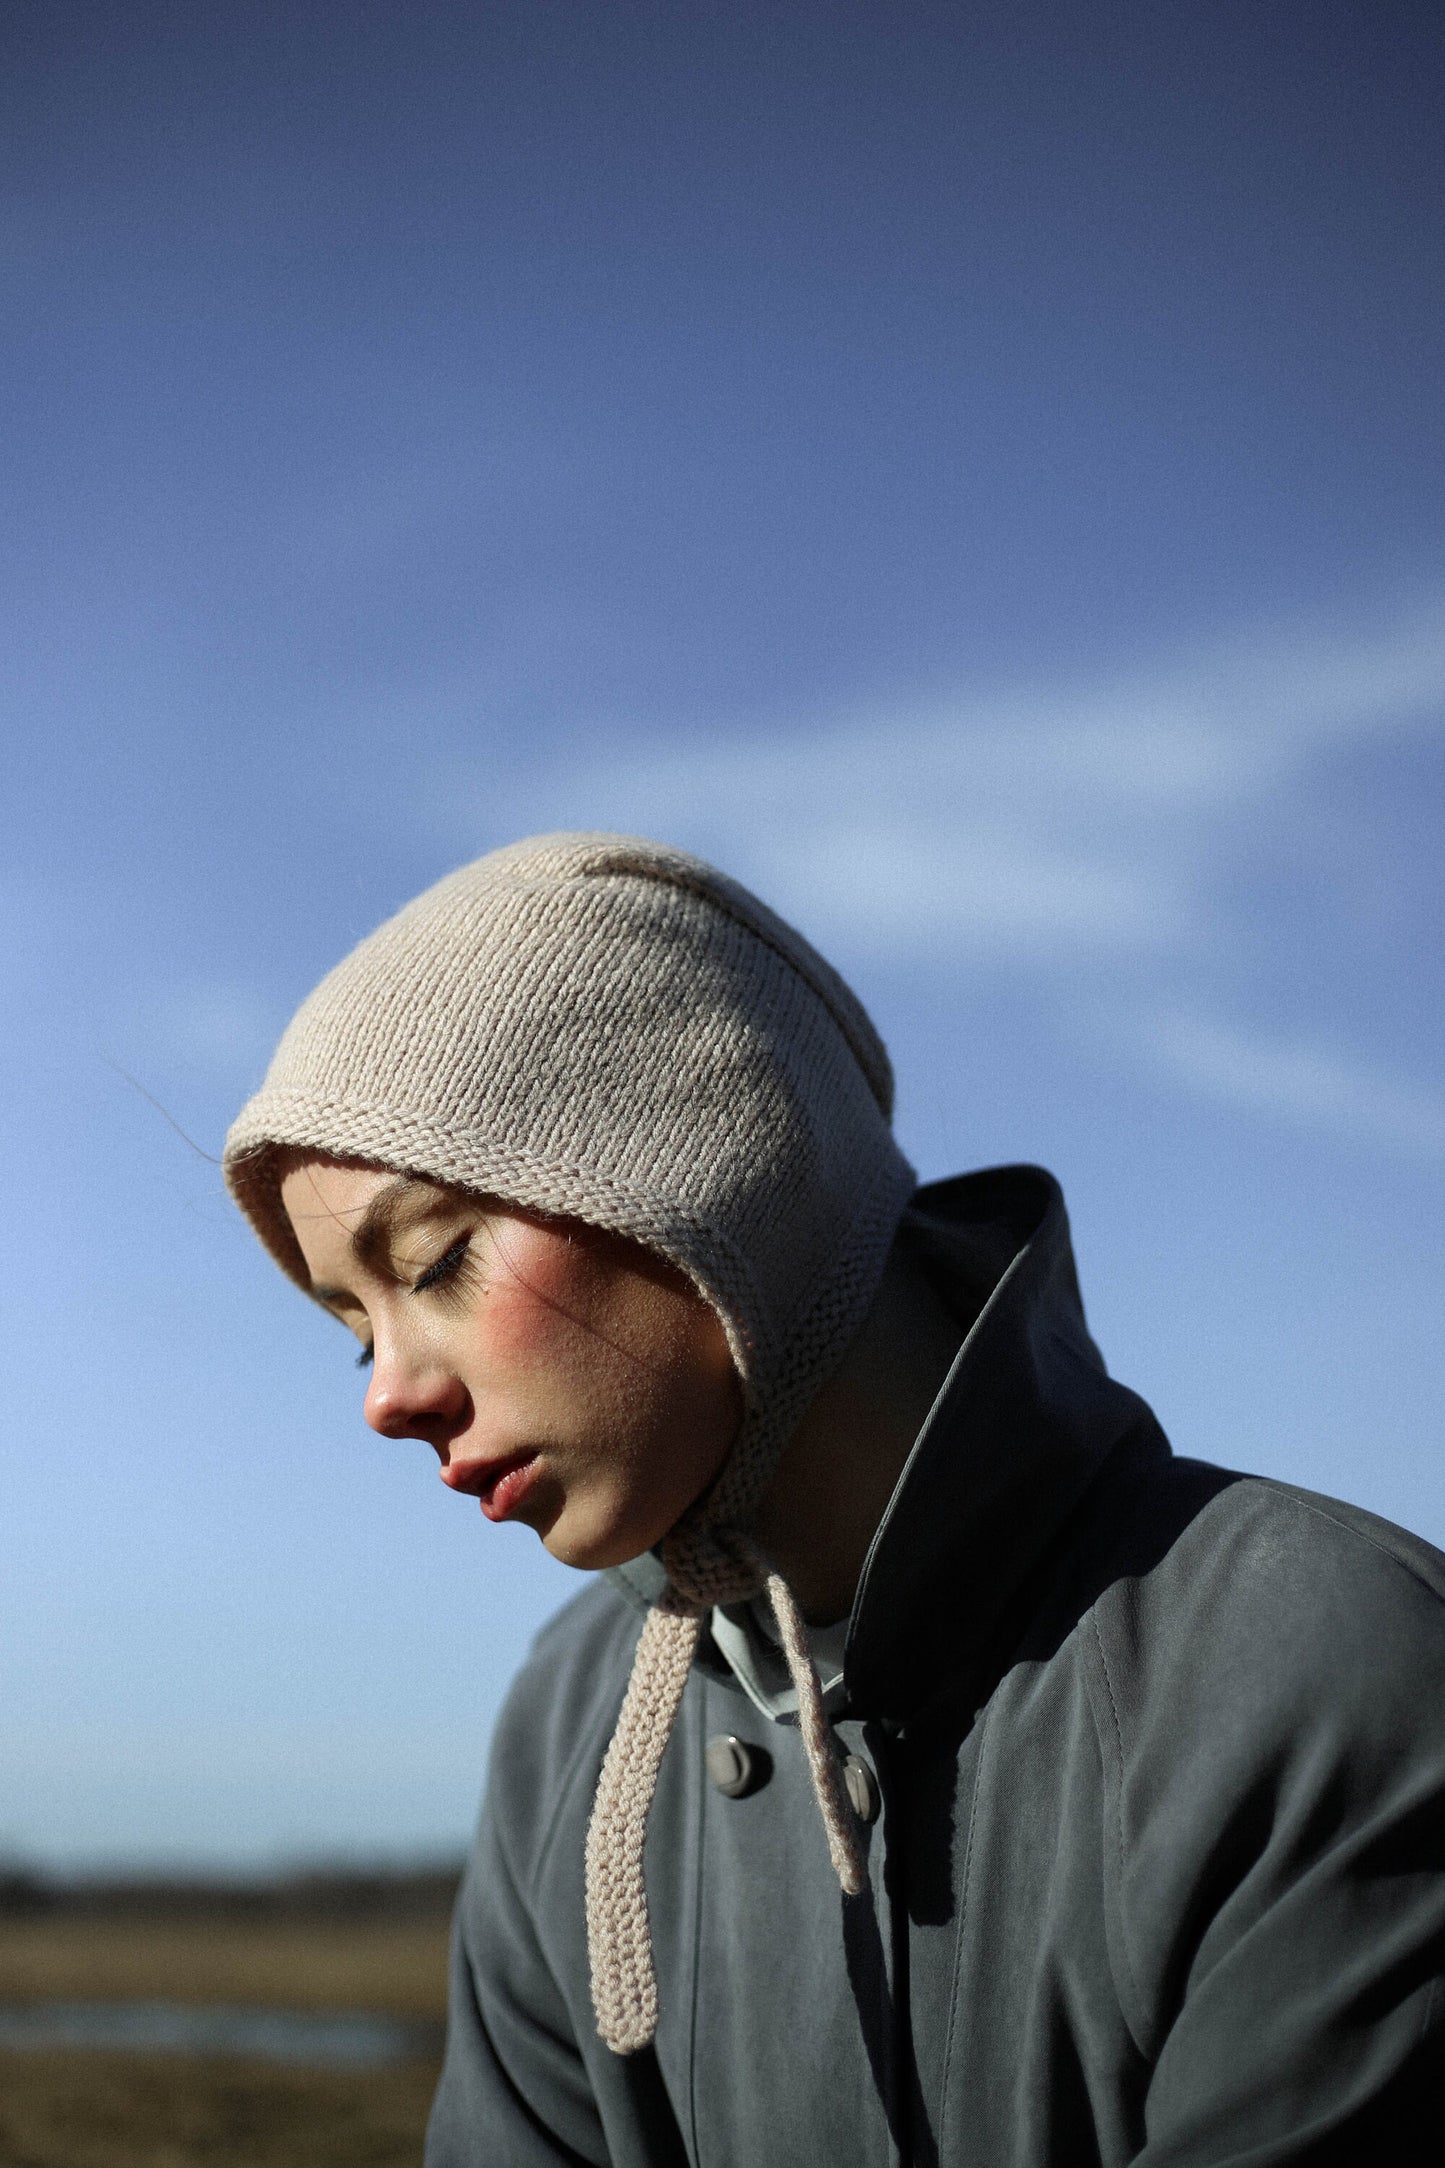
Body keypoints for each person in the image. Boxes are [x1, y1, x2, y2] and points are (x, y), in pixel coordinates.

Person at [224, 831, 1445, 2166]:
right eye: (354, 1327)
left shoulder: (1332, 1666)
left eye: (441, 1259)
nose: (384, 1397)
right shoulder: (568, 1725)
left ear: (707, 1174)